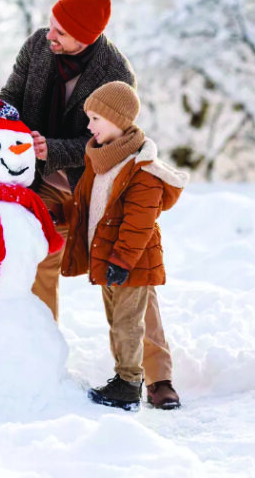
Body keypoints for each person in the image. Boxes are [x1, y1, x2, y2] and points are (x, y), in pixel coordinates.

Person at [0, 0, 181, 408]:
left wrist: (55, 148)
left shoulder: (115, 73)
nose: (50, 35)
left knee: (136, 275)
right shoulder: (37, 45)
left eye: (61, 31)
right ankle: (40, 362)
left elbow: (108, 138)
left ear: (86, 36)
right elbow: (11, 94)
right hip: (42, 180)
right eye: (52, 24)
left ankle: (157, 377)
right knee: (37, 258)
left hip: (97, 185)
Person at [61, 82, 187, 410]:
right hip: (107, 259)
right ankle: (124, 378)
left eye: (95, 118)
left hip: (129, 261)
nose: (89, 126)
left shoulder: (142, 170)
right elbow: (88, 206)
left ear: (118, 120)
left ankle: (130, 383)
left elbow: (139, 222)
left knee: (129, 322)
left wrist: (122, 259)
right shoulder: (101, 161)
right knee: (118, 321)